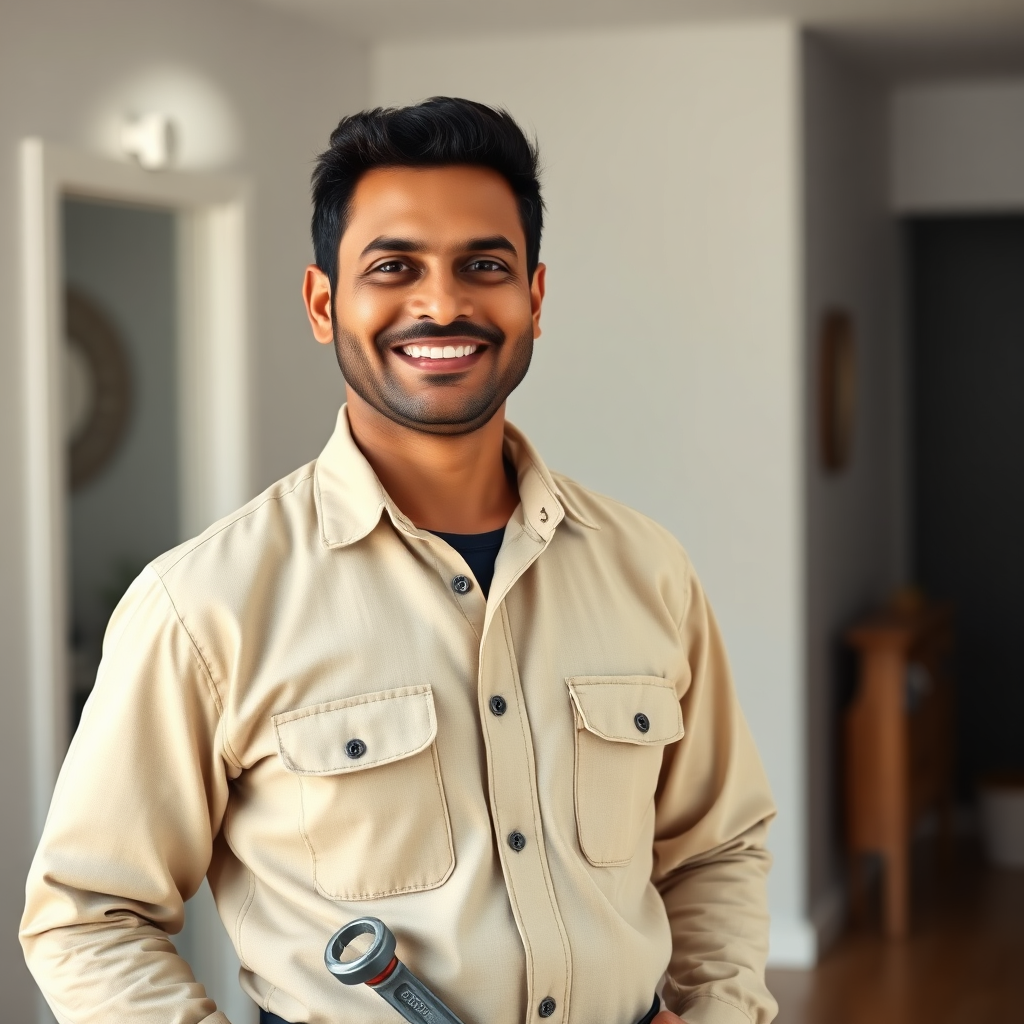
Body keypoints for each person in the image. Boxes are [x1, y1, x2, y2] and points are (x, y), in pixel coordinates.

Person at [22, 97, 777, 1024]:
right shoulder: (202, 604)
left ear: (534, 299)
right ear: (322, 302)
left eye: (483, 266)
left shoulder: (649, 571)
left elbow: (717, 848)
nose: (443, 302)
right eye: (395, 267)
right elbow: (88, 915)